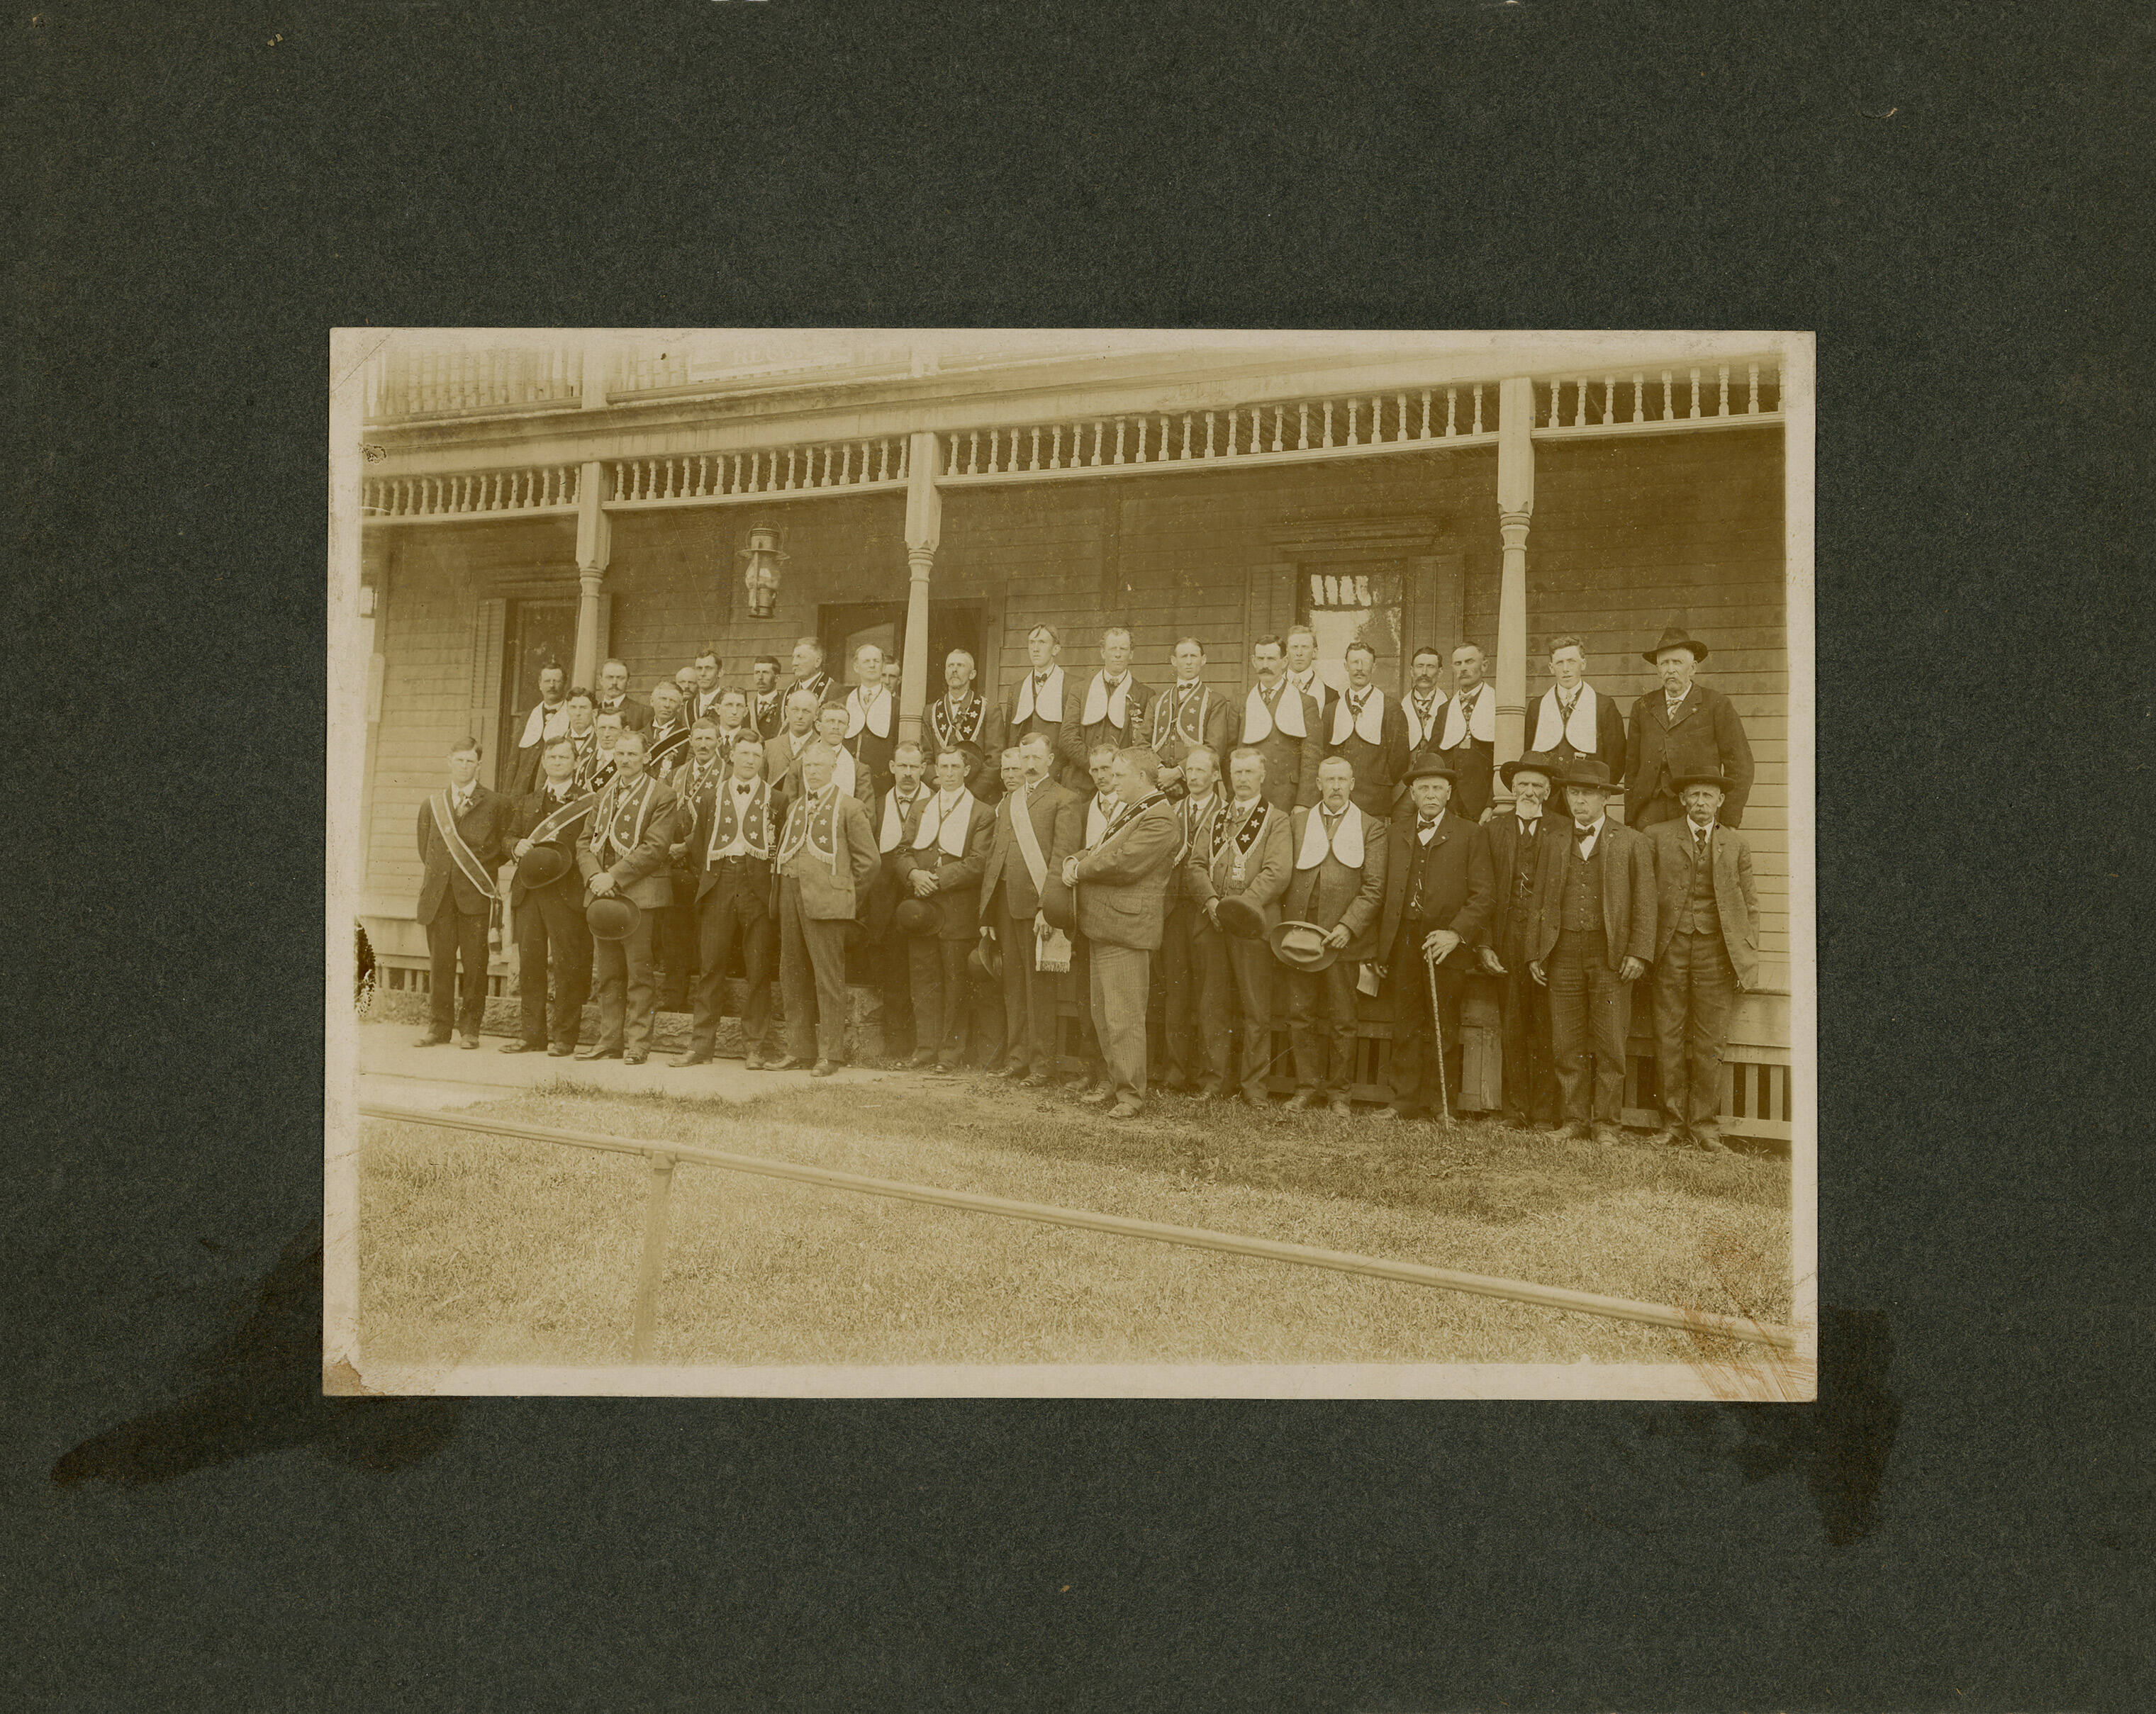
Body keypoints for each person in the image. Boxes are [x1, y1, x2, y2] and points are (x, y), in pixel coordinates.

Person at [1527, 758, 1656, 1143]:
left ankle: (1607, 1125)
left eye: (1586, 794)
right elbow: (1539, 900)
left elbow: (1646, 902)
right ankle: (1573, 1120)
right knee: (1566, 1042)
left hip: (1611, 955)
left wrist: (1638, 953)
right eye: (1573, 793)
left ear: (1604, 798)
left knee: (1611, 1043)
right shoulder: (1554, 840)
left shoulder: (1631, 841)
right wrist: (1535, 952)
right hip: (1563, 951)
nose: (1578, 801)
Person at [1375, 758, 1495, 1122]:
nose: (1430, 794)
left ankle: (1442, 1105)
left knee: (1444, 1024)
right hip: (1403, 941)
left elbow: (1484, 895)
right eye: (1423, 788)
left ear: (1449, 793)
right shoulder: (1395, 832)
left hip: (1445, 944)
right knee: (1405, 1021)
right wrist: (1381, 947)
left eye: (1437, 788)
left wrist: (1455, 933)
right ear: (1412, 794)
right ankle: (1403, 1101)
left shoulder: (1470, 833)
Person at [1062, 746, 1179, 1119]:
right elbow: (1102, 849)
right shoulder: (1135, 809)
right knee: (1104, 1014)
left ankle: (1131, 1096)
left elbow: (1125, 864)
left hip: (1126, 927)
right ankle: (1116, 1083)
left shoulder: (1160, 817)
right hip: (1105, 924)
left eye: (1120, 775)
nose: (1112, 782)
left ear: (1142, 778)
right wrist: (1076, 857)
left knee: (1124, 1017)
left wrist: (1080, 870)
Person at [1647, 769, 1758, 1152]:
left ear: (1720, 801)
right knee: (1668, 1036)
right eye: (1693, 795)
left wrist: (1746, 956)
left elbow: (1750, 905)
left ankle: (1705, 1126)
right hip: (1669, 949)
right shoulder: (1657, 836)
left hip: (1716, 953)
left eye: (1708, 796)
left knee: (1711, 1040)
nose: (1700, 802)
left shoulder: (1736, 844)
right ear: (1682, 800)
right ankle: (1672, 1124)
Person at [1279, 755, 1390, 1113]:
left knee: (1343, 1019)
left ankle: (1340, 1093)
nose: (1337, 787)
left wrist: (1347, 926)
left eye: (1343, 780)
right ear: (1319, 784)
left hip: (1343, 940)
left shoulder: (1371, 827)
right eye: (1330, 780)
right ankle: (1306, 1087)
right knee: (1301, 1014)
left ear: (1353, 784)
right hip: (1302, 936)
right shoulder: (1297, 823)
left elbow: (1374, 888)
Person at [1184, 746, 1294, 1104]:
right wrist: (1212, 902)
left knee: (1256, 1009)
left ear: (1262, 776)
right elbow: (1195, 866)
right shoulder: (1216, 818)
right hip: (1214, 922)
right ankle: (1214, 1082)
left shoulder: (1276, 820)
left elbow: (1277, 873)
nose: (1243, 779)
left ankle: (1254, 1087)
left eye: (1249, 772)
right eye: (1238, 773)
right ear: (1228, 776)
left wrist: (1238, 908)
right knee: (1212, 1005)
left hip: (1253, 925)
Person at [674, 730, 783, 1070]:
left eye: (756, 755)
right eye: (744, 753)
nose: (749, 760)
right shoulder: (711, 797)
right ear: (732, 755)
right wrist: (715, 877)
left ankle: (755, 1048)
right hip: (720, 883)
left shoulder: (777, 800)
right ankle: (700, 1046)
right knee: (711, 966)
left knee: (758, 969)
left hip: (757, 887)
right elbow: (698, 846)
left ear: (762, 759)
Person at [977, 733, 1078, 1084]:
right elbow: (996, 858)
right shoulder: (1009, 801)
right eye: (1025, 758)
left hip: (1038, 910)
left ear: (1050, 760)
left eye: (1037, 758)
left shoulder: (1065, 799)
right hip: (1006, 906)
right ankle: (1017, 1059)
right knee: (1013, 986)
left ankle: (1041, 1066)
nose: (1030, 765)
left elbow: (1060, 857)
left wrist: (1046, 908)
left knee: (1039, 989)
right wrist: (988, 912)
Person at [773, 741, 879, 1075]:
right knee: (792, 974)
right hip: (791, 897)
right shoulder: (795, 807)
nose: (813, 772)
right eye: (808, 766)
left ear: (833, 768)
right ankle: (799, 1050)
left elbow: (869, 862)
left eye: (819, 765)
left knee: (828, 978)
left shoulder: (850, 807)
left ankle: (830, 1055)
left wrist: (844, 896)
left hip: (828, 903)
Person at [574, 730, 678, 1065]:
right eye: (620, 754)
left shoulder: (662, 795)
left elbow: (656, 847)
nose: (625, 760)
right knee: (608, 973)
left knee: (639, 973)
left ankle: (638, 1044)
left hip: (639, 896)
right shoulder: (604, 794)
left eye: (632, 754)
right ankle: (609, 1041)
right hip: (603, 895)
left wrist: (613, 877)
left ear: (646, 758)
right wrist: (595, 877)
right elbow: (584, 842)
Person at [1477, 751, 1565, 1129]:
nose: (1529, 792)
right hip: (1507, 937)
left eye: (1537, 786)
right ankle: (1515, 1111)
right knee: (1512, 1024)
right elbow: (1481, 891)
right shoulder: (1492, 830)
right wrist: (1484, 944)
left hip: (1548, 940)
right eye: (1523, 785)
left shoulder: (1563, 829)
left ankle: (1545, 1112)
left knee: (1547, 1025)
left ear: (1548, 792)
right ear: (1512, 789)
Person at [413, 738, 512, 1049]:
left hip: (475, 897)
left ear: (479, 766)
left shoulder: (496, 804)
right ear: (450, 762)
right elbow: (426, 849)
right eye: (459, 761)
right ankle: (439, 1028)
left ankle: (471, 1030)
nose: (464, 766)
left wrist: (473, 874)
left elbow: (502, 850)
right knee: (440, 964)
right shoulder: (432, 804)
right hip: (439, 898)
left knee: (475, 966)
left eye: (471, 762)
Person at [898, 747, 991, 1072]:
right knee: (923, 979)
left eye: (955, 766)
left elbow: (979, 863)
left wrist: (936, 879)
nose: (949, 772)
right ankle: (925, 1048)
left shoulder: (981, 812)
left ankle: (950, 1053)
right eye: (944, 766)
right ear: (935, 770)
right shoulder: (921, 807)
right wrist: (913, 874)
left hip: (956, 911)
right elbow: (902, 851)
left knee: (955, 984)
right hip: (921, 908)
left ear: (966, 770)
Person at [501, 735, 594, 1057]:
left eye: (564, 757)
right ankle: (532, 1036)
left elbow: (591, 844)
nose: (557, 762)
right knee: (530, 965)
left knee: (568, 965)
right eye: (552, 757)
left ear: (576, 762)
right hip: (529, 893)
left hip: (566, 893)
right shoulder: (527, 801)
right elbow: (508, 837)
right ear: (544, 762)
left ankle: (565, 1037)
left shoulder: (588, 802)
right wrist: (515, 846)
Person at [1626, 620, 1755, 830]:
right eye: (1664, 664)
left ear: (1693, 668)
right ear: (1658, 669)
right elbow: (1632, 767)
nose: (1670, 670)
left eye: (1677, 662)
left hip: (1696, 810)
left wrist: (1729, 820)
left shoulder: (1716, 704)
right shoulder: (1642, 707)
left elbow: (1741, 766)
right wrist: (1631, 818)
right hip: (1649, 811)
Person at [1156, 742, 1222, 1094]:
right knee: (1176, 994)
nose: (1194, 777)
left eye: (1201, 771)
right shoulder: (1172, 811)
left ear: (1215, 775)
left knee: (1211, 997)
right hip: (1174, 912)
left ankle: (1210, 1078)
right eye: (1190, 770)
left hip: (1208, 913)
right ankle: (1176, 1074)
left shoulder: (1226, 813)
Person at [656, 719, 728, 1014]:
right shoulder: (676, 774)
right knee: (675, 933)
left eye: (709, 739)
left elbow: (722, 820)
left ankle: (708, 1005)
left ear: (719, 742)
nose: (703, 745)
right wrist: (670, 848)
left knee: (711, 938)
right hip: (677, 868)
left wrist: (685, 846)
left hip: (710, 866)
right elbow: (662, 814)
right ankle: (675, 997)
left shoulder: (728, 774)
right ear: (691, 742)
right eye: (698, 739)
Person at [866, 740, 931, 1060]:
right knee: (893, 970)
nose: (907, 773)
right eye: (902, 766)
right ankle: (897, 1045)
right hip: (886, 903)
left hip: (924, 897)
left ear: (923, 768)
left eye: (913, 767)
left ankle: (926, 1044)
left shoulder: (936, 802)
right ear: (892, 767)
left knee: (925, 970)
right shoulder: (879, 805)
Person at [1058, 624, 1154, 791]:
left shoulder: (1145, 694)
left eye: (1123, 649)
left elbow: (1143, 744)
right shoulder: (1080, 690)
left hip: (1123, 784)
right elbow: (1067, 737)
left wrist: (1117, 770)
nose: (1118, 654)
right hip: (1082, 780)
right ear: (1103, 652)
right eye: (1112, 649)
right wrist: (1098, 768)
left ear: (1131, 654)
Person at [1324, 639, 1412, 817]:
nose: (1360, 668)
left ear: (1374, 667)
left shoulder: (1390, 708)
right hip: (1337, 802)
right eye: (1354, 662)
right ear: (1346, 666)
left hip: (1375, 802)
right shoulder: (1331, 710)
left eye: (1365, 662)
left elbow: (1399, 761)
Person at [1530, 634, 1627, 794]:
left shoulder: (1604, 705)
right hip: (1548, 798)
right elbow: (1529, 754)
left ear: (1583, 664)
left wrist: (1597, 793)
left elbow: (1617, 759)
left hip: (1588, 796)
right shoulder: (1536, 707)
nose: (1565, 669)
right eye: (1559, 663)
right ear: (1551, 667)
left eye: (1571, 661)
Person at [1236, 635, 1322, 812]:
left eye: (1271, 659)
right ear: (1253, 661)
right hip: (1248, 796)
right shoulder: (1240, 703)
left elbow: (1312, 758)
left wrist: (1304, 803)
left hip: (1287, 799)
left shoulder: (1305, 703)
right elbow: (1230, 755)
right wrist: (1234, 793)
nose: (1265, 665)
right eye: (1260, 659)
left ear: (1284, 662)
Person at [1145, 636, 1231, 801]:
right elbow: (1142, 744)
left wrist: (1177, 773)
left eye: (1194, 656)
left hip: (1199, 785)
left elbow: (1214, 748)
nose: (1189, 662)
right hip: (1159, 784)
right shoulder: (1156, 701)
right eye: (1184, 656)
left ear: (1203, 660)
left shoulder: (1215, 701)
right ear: (1174, 661)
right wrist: (1161, 772)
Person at [1433, 642, 1496, 822]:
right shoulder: (1445, 709)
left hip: (1482, 804)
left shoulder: (1498, 704)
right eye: (1458, 663)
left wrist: (1492, 804)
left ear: (1484, 665)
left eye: (1469, 662)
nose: (1463, 668)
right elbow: (1434, 755)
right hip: (1450, 804)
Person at [926, 647, 997, 802]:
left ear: (972, 674)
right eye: (950, 666)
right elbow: (926, 756)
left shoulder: (989, 709)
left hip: (976, 797)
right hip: (940, 793)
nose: (954, 670)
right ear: (945, 673)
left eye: (960, 665)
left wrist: (971, 794)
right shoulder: (931, 710)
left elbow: (994, 760)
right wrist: (938, 783)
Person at [999, 624, 1068, 765]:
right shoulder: (1016, 689)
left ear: (1056, 649)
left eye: (1042, 642)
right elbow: (1010, 736)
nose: (1035, 649)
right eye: (1032, 643)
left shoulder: (1072, 685)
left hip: (1056, 766)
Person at [842, 642, 898, 800]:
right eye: (866, 661)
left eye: (876, 661)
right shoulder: (843, 702)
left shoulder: (897, 706)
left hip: (880, 786)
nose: (872, 665)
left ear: (883, 667)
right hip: (846, 781)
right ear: (856, 667)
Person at [507, 663, 570, 798]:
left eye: (557, 681)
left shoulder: (571, 716)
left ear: (565, 684)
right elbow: (514, 759)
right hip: (523, 791)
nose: (552, 686)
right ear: (540, 685)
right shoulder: (527, 717)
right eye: (547, 681)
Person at [1282, 623, 1339, 732]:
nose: (1299, 653)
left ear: (1314, 652)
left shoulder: (1330, 696)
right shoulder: (1272, 688)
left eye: (1305, 647)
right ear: (1287, 651)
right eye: (1294, 647)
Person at [762, 688, 822, 792]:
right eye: (795, 710)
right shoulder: (769, 747)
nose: (800, 716)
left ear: (816, 715)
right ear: (786, 711)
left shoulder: (823, 747)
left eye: (806, 711)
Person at [1400, 646, 1447, 764]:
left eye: (1430, 667)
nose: (1424, 673)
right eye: (1420, 666)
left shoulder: (1450, 707)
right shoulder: (1400, 708)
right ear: (1411, 671)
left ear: (1440, 672)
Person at [644, 680, 691, 778]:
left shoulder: (686, 739)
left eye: (672, 701)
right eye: (663, 699)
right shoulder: (639, 735)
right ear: (652, 701)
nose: (667, 705)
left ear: (679, 707)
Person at [784, 635, 842, 710]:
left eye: (800, 657)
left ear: (817, 662)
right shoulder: (786, 694)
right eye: (793, 658)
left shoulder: (835, 692)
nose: (794, 663)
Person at [596, 659, 651, 733]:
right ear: (601, 680)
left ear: (628, 681)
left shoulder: (643, 713)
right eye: (610, 677)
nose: (614, 683)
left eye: (620, 678)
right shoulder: (592, 710)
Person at [710, 687, 754, 773]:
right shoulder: (706, 739)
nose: (734, 711)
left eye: (740, 706)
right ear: (718, 709)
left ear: (746, 711)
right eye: (729, 705)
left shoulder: (753, 742)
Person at [561, 688, 599, 785]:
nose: (578, 713)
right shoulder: (559, 741)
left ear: (594, 713)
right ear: (567, 711)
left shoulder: (600, 742)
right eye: (573, 707)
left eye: (583, 708)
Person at [688, 646, 729, 729]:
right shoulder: (687, 706)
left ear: (720, 672)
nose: (703, 673)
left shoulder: (729, 703)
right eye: (699, 668)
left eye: (709, 668)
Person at [583, 710, 623, 792]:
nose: (606, 734)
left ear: (625, 731)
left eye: (612, 728)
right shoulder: (585, 762)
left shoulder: (630, 764)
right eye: (602, 728)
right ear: (595, 730)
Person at [748, 655, 786, 740]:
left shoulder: (783, 706)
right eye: (757, 672)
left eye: (765, 673)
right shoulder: (748, 706)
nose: (760, 678)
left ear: (777, 678)